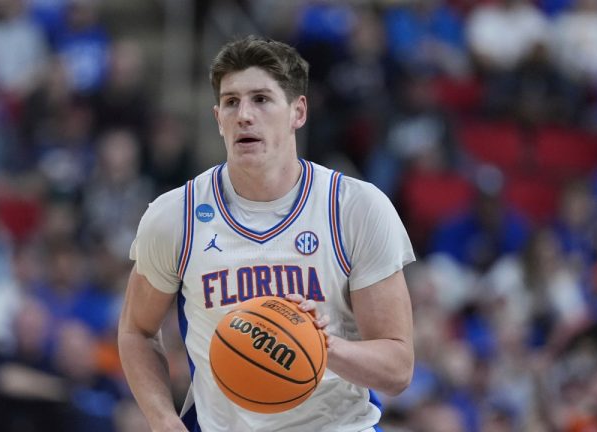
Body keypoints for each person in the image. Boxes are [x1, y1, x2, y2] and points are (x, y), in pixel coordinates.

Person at [118, 35, 415, 432]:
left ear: (298, 111)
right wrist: (163, 420)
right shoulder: (176, 216)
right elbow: (136, 330)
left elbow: (398, 368)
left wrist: (320, 346)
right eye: (231, 102)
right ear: (217, 117)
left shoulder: (355, 207)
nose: (244, 115)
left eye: (261, 99)